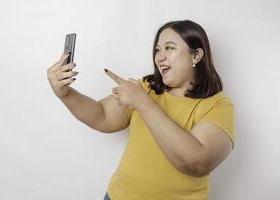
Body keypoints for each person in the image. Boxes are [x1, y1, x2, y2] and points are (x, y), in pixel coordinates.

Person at [47, 20, 235, 200]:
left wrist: (143, 104)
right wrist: (65, 94)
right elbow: (102, 115)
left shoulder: (218, 106)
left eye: (169, 48)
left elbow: (196, 163)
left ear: (196, 56)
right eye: (158, 50)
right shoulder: (147, 88)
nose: (160, 56)